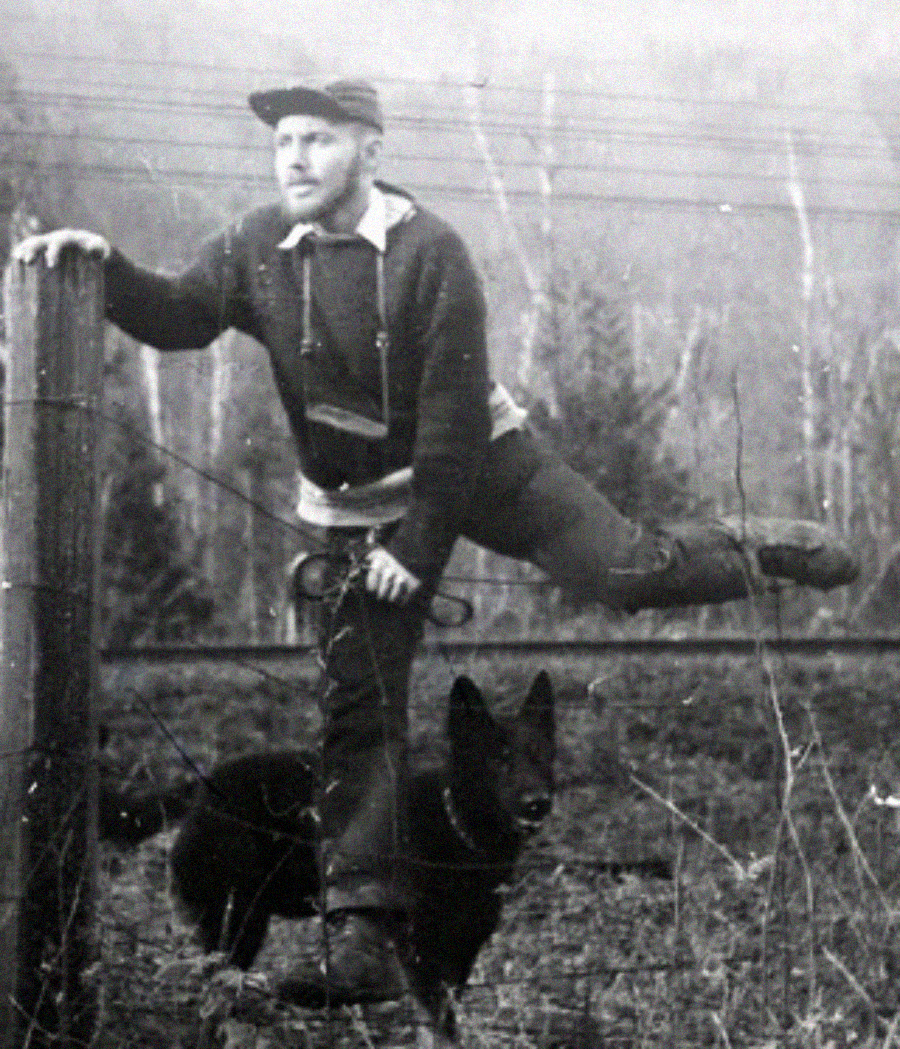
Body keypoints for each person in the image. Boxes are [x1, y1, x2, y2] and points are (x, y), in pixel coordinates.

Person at [13, 78, 858, 1007]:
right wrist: (105, 268)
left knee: (619, 569)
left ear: (370, 151)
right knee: (361, 712)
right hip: (351, 505)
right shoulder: (257, 245)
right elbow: (178, 315)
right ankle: (368, 934)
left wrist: (416, 550)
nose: (294, 157)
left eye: (319, 140)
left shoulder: (432, 254)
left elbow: (453, 427)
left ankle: (758, 546)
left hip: (482, 461)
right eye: (283, 140)